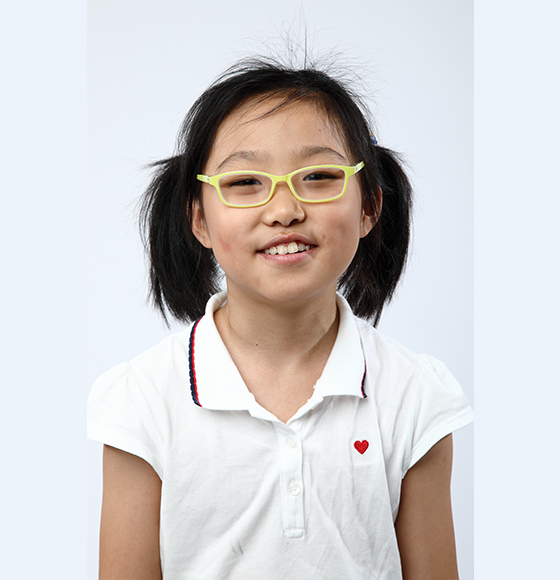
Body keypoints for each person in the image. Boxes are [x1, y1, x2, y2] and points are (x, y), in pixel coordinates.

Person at [88, 57, 473, 580]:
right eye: (246, 181)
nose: (284, 209)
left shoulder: (415, 395)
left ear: (369, 206)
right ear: (199, 219)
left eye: (319, 176)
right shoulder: (142, 399)